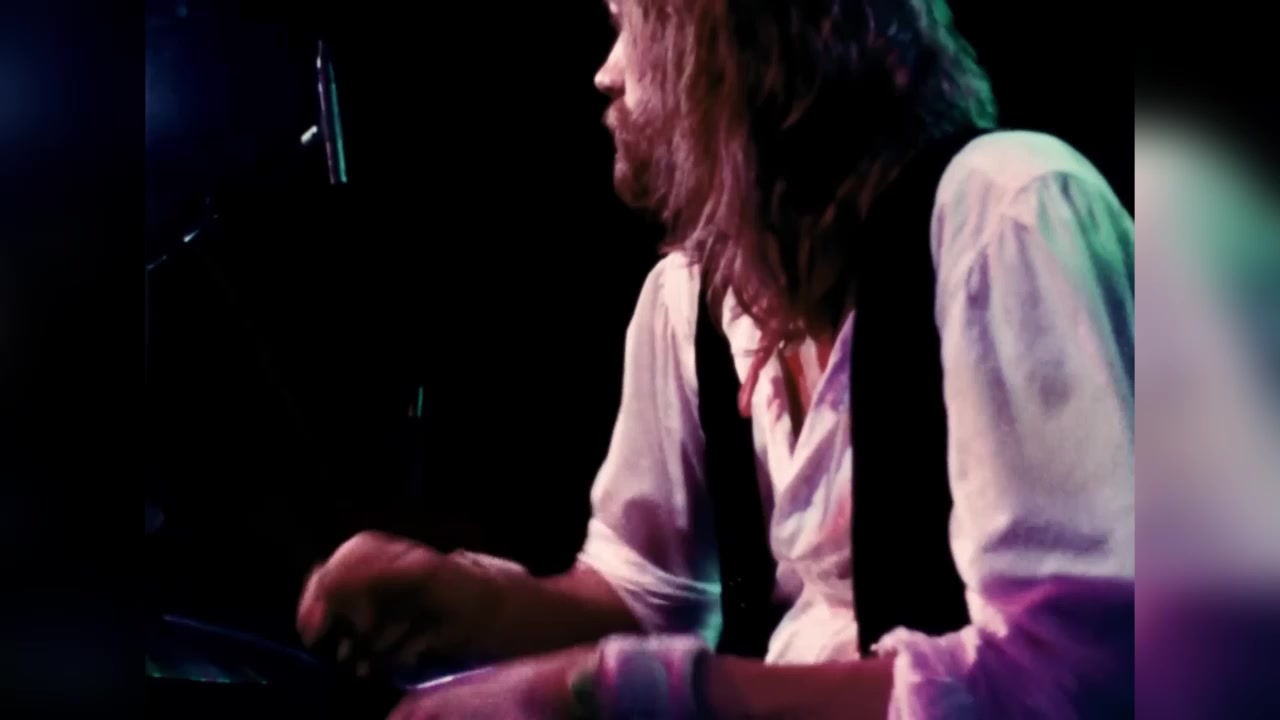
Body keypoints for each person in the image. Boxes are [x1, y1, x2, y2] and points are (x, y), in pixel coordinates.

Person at [296, 0, 1135, 717]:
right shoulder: (691, 300)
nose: (605, 74)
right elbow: (647, 598)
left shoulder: (1006, 212)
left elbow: (1076, 675)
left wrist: (612, 693)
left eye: (633, 28)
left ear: (739, 40)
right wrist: (458, 599)